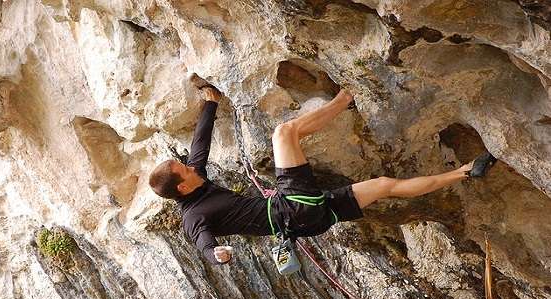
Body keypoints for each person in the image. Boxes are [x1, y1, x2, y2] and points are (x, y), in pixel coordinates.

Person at [148, 85, 496, 265]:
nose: (191, 165)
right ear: (181, 185)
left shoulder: (196, 182)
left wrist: (210, 104)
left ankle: (467, 172)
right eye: (184, 169)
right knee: (283, 133)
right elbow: (202, 243)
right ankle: (348, 96)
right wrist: (216, 255)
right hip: (291, 208)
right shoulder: (194, 216)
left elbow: (199, 147)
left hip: (310, 220)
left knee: (386, 186)